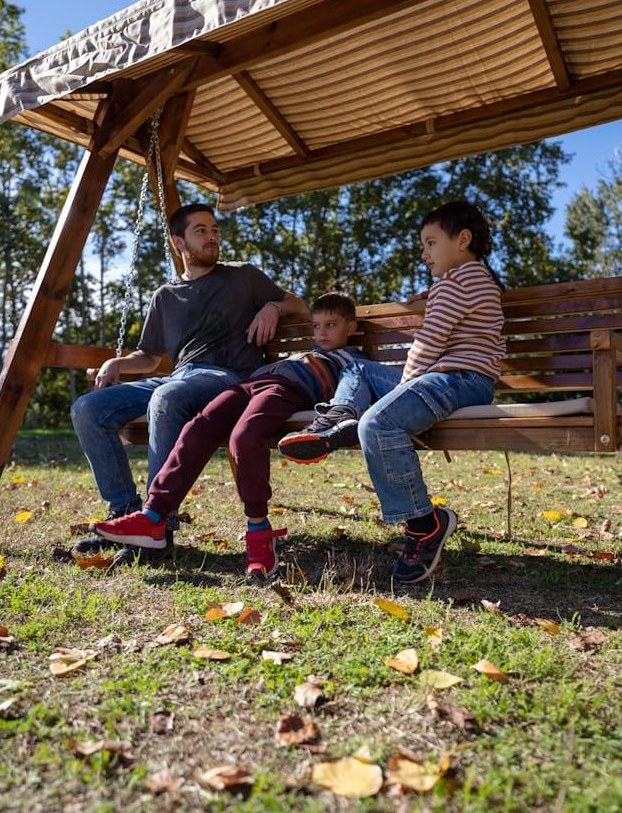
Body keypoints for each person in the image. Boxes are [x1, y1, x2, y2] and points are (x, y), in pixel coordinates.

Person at [70, 202, 306, 564]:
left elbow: (298, 303)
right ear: (178, 241)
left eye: (215, 230)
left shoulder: (241, 276)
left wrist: (272, 307)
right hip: (180, 376)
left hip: (229, 378)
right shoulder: (164, 296)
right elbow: (148, 357)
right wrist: (117, 361)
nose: (212, 237)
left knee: (166, 396)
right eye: (201, 231)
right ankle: (124, 512)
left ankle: (157, 525)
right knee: (87, 409)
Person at [91, 293, 360, 579]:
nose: (322, 333)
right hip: (250, 383)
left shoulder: (353, 362)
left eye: (331, 325)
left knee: (243, 438)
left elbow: (358, 387)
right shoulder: (305, 352)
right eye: (317, 326)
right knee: (198, 427)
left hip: (285, 389)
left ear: (351, 328)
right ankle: (153, 517)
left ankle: (259, 533)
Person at [361, 200, 505, 583]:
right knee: (359, 368)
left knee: (376, 424)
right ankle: (339, 417)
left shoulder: (458, 282)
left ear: (462, 240)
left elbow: (428, 342)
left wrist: (404, 388)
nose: (424, 254)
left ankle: (426, 525)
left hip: (458, 379)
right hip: (451, 379)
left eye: (430, 243)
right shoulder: (470, 279)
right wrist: (435, 293)